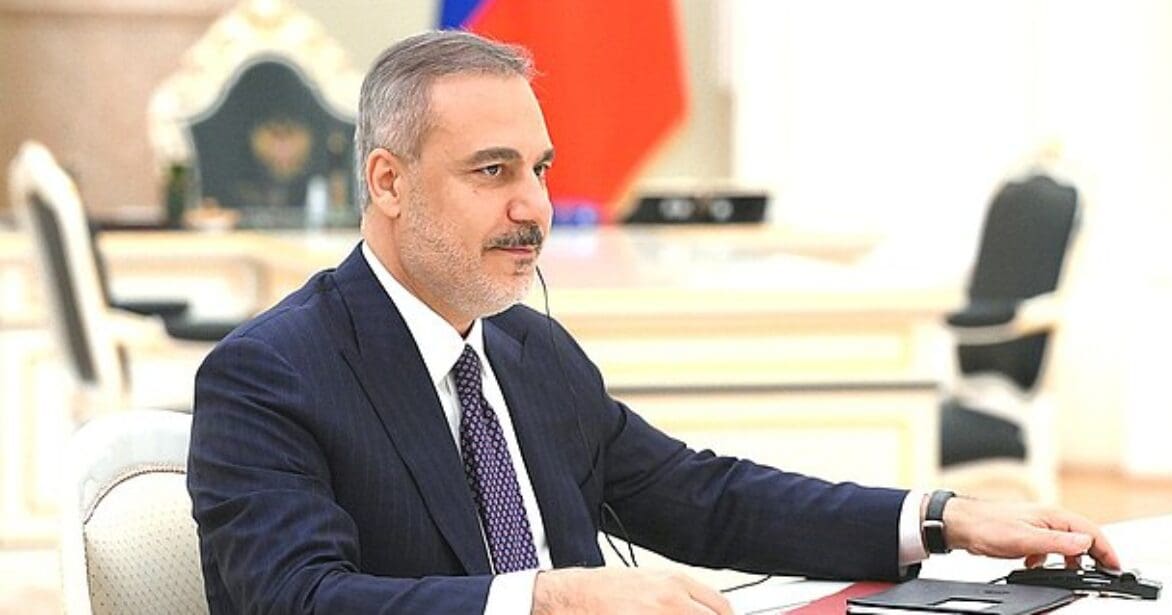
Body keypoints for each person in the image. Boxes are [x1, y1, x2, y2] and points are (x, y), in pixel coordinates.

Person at [187, 30, 1118, 614]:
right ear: (388, 182)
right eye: (493, 170)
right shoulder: (270, 373)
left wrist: (945, 519)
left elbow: (705, 498)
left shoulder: (528, 348)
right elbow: (298, 598)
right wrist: (553, 599)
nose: (534, 206)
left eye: (541, 170)